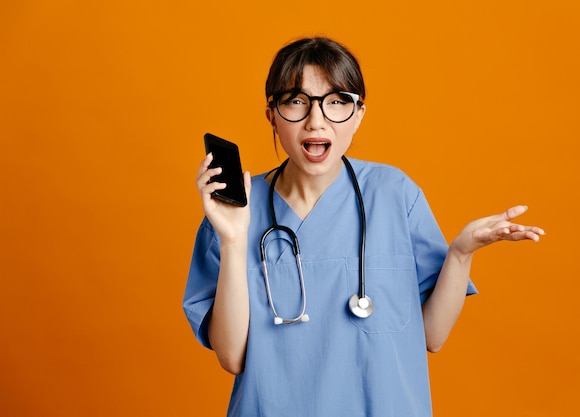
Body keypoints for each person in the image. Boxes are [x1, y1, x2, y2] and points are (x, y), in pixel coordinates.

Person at [183, 37, 545, 417]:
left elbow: (432, 337)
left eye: (337, 102)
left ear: (358, 115)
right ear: (272, 114)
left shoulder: (395, 194)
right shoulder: (235, 214)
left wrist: (460, 253)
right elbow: (232, 357)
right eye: (296, 101)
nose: (316, 120)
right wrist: (233, 240)